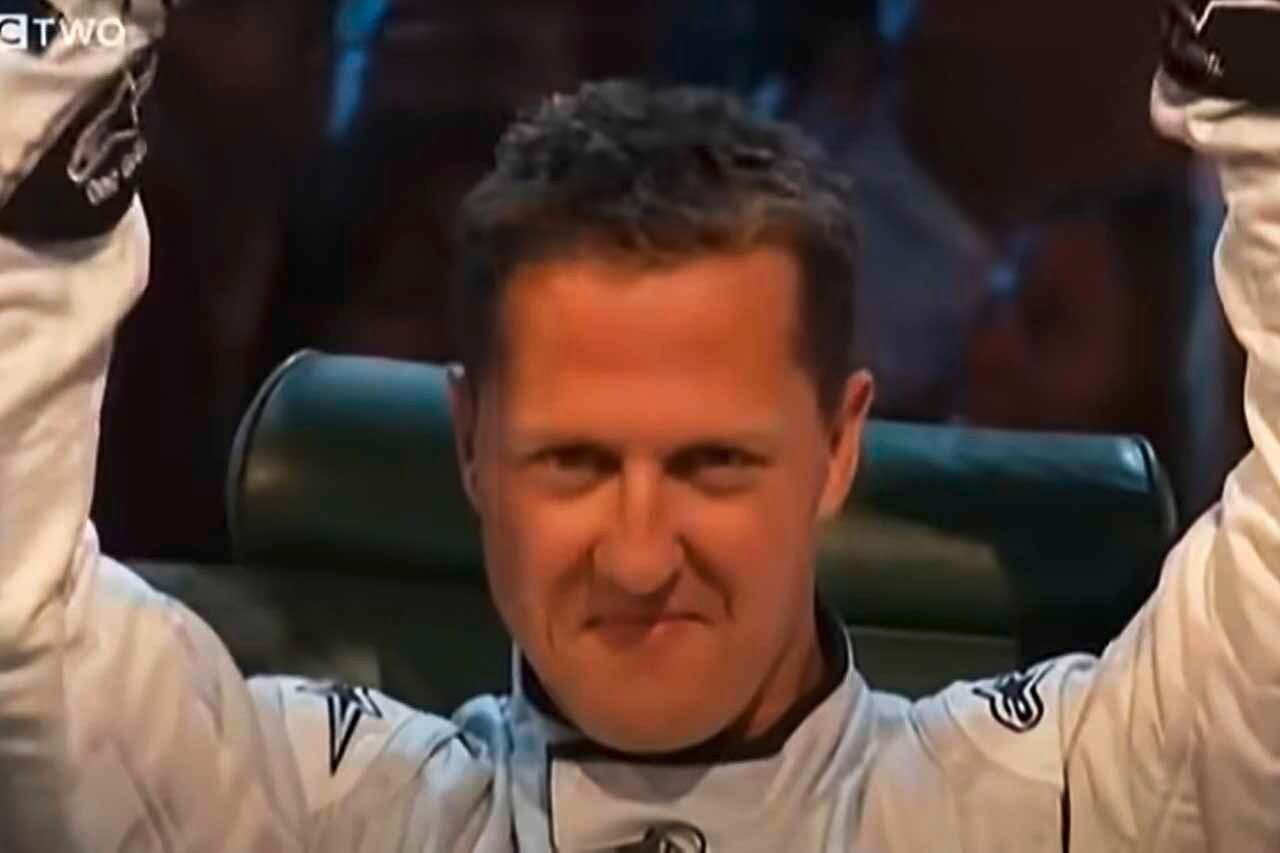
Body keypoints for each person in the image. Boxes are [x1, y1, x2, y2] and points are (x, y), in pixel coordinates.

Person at [2, 2, 1279, 850]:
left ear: (838, 446)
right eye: (572, 462)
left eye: (713, 464)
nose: (635, 553)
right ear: (469, 446)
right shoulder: (315, 812)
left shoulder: (1051, 806)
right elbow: (17, 629)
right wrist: (61, 49)